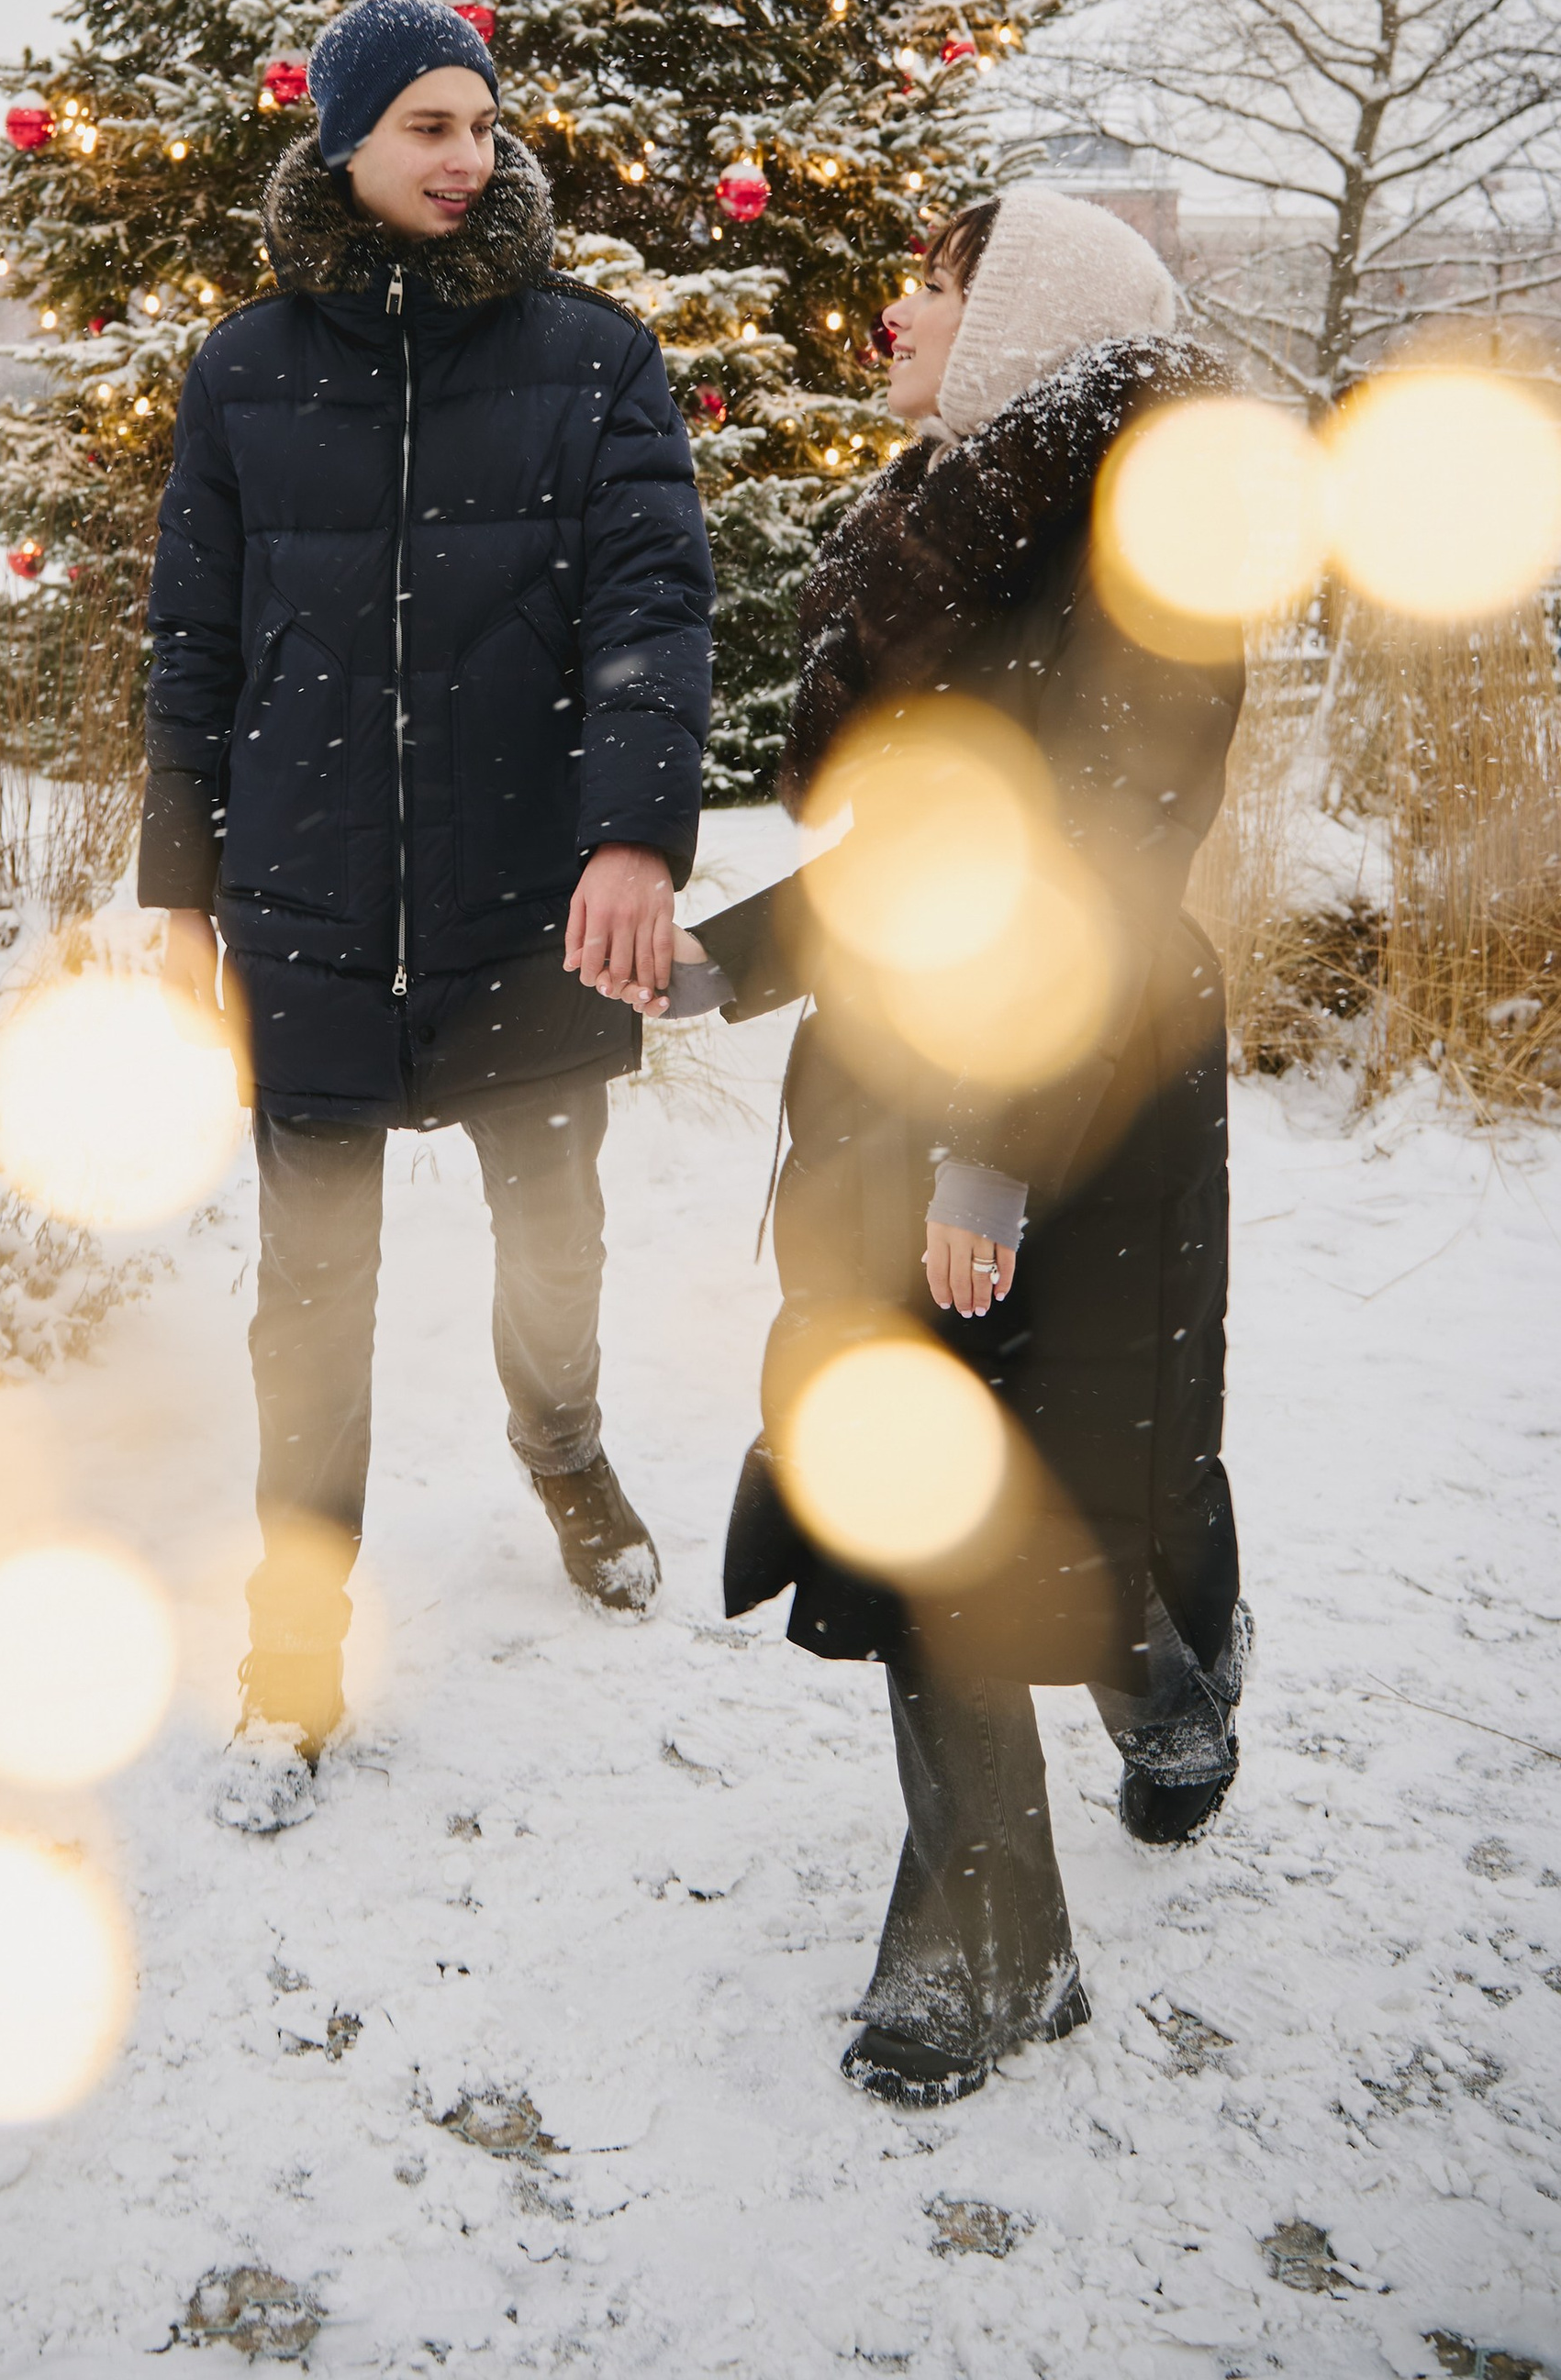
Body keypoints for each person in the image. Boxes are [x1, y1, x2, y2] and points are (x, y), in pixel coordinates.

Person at [686, 185, 1249, 2108]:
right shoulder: (944, 536)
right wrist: (710, 969)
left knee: (1076, 1472)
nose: (892, 322)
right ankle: (1005, 1914)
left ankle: (1158, 1662)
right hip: (898, 1085)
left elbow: (1093, 876)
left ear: (1022, 324)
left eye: (932, 290)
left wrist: (986, 1165)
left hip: (1071, 1104)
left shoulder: (1140, 563)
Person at [141, 0, 714, 1831]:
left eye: (480, 124)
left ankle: (562, 1453)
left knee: (550, 1253)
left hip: (518, 909)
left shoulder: (591, 358)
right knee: (306, 1307)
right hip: (306, 904)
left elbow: (651, 610)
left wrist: (627, 838)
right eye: (424, 128)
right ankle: (291, 1651)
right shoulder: (241, 372)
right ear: (341, 143)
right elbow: (190, 647)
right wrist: (177, 893)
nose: (465, 158)